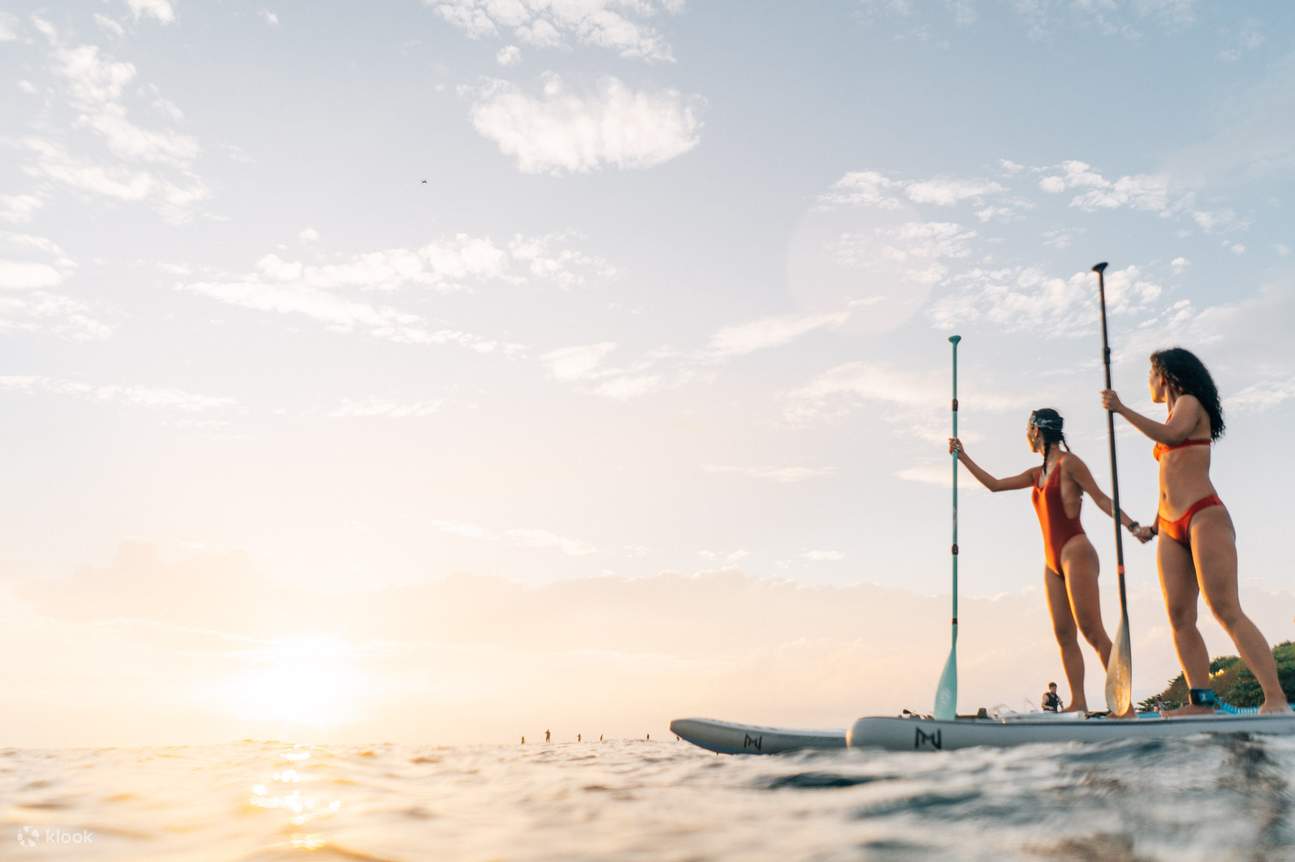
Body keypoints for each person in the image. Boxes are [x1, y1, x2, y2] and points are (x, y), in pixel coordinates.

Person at [1101, 347, 1290, 715]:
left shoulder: (1189, 403)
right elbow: (1168, 476)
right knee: (1179, 617)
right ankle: (1201, 701)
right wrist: (1153, 525)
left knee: (1225, 609)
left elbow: (1172, 437)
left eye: (1150, 374)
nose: (1148, 383)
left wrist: (1121, 410)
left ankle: (1276, 699)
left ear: (1166, 375)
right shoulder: (1174, 411)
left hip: (1205, 517)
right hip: (1171, 526)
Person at [950, 409, 1149, 712]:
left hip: (1076, 552)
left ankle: (1125, 707)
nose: (1026, 436)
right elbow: (994, 484)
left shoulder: (1070, 464)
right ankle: (1078, 702)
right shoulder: (1035, 474)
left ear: (1037, 431)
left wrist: (1133, 527)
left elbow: (1100, 498)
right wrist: (962, 456)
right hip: (1051, 563)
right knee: (1064, 635)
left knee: (1093, 632)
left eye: (1028, 430)